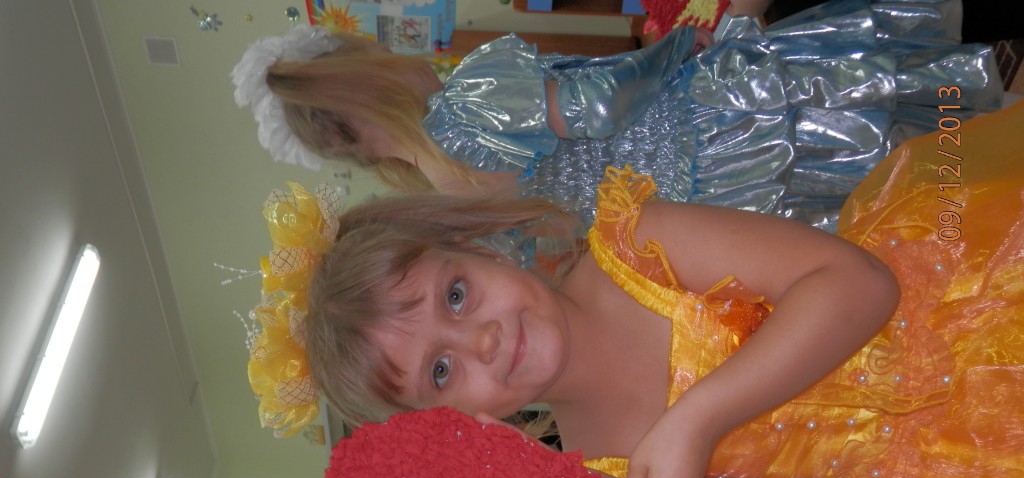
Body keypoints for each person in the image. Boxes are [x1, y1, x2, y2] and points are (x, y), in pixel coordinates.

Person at [248, 99, 1024, 478]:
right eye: (442, 371)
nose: (482, 338)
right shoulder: (596, 466)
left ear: (479, 252)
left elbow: (859, 287)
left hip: (971, 323)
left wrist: (697, 419)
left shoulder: (638, 250)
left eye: (457, 295)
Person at [232, 0, 1003, 230]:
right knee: (876, 103)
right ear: (361, 83)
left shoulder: (440, 193)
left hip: (706, 198)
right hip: (714, 120)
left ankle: (990, 168)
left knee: (888, 177)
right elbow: (601, 100)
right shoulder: (465, 102)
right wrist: (680, 44)